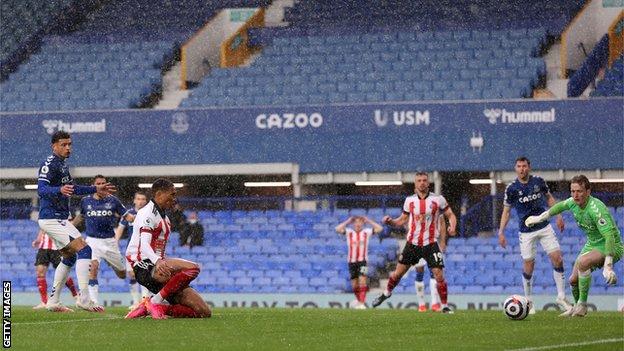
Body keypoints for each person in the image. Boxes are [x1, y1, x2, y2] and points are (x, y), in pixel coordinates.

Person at [37, 131, 116, 312]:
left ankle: (54, 302)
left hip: (58, 218)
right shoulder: (49, 164)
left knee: (69, 257)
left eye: (70, 144)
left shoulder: (63, 165)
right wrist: (58, 190)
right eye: (64, 145)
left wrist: (95, 189)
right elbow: (41, 190)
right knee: (85, 249)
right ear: (54, 146)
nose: (68, 148)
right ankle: (84, 298)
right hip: (51, 218)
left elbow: (73, 189)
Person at [526, 175, 623, 317]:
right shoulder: (573, 202)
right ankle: (578, 309)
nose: (575, 195)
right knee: (573, 280)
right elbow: (559, 207)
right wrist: (540, 218)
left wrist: (608, 266)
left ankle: (582, 306)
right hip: (592, 244)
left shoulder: (596, 209)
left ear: (588, 192)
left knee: (583, 263)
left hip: (611, 245)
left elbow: (609, 237)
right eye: (572, 191)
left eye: (579, 191)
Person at [125, 179, 211, 319]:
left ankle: (152, 306)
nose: (174, 198)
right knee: (193, 268)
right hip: (145, 265)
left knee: (203, 312)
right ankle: (155, 301)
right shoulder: (147, 213)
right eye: (172, 194)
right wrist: (158, 261)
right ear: (159, 194)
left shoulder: (164, 217)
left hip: (158, 266)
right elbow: (144, 246)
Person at [372, 172, 457, 313]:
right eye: (419, 180)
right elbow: (401, 220)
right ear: (415, 184)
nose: (422, 183)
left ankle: (444, 306)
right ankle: (386, 293)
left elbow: (451, 215)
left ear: (428, 183)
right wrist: (391, 221)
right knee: (397, 274)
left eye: (424, 180)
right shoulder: (409, 201)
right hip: (412, 244)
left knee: (439, 274)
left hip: (430, 243)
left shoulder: (438, 199)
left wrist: (452, 226)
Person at [497, 157, 573, 314]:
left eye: (524, 166)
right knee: (529, 266)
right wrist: (501, 232)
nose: (522, 169)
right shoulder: (511, 188)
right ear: (515, 168)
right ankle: (529, 301)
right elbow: (506, 211)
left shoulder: (538, 182)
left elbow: (549, 198)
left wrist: (558, 216)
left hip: (544, 226)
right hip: (526, 232)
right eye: (519, 166)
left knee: (557, 258)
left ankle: (561, 296)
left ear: (529, 167)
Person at [71, 175, 135, 306]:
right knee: (93, 268)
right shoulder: (85, 201)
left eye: (103, 183)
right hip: (92, 241)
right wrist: (68, 228)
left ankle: (113, 263)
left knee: (122, 273)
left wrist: (143, 219)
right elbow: (80, 217)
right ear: (94, 186)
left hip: (109, 242)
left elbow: (128, 217)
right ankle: (93, 301)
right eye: (98, 183)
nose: (101, 185)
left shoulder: (113, 201)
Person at [335, 216, 383, 309]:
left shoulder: (366, 232)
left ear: (362, 224)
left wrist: (369, 220)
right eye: (356, 222)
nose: (358, 224)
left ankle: (361, 303)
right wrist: (348, 221)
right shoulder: (349, 232)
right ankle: (359, 301)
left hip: (363, 261)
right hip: (351, 262)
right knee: (354, 284)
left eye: (360, 222)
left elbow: (380, 228)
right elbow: (337, 229)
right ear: (353, 224)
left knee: (362, 280)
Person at [115, 191, 151, 307]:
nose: (140, 201)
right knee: (131, 274)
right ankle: (136, 302)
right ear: (134, 200)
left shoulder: (149, 214)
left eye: (143, 199)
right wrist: (115, 243)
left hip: (145, 249)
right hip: (131, 249)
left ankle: (145, 301)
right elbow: (120, 229)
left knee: (144, 274)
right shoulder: (128, 214)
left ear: (146, 201)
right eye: (138, 199)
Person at [32, 229, 79, 309]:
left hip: (57, 248)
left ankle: (76, 295)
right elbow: (43, 228)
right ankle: (44, 302)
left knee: (63, 273)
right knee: (40, 273)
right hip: (43, 248)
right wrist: (38, 239)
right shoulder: (44, 218)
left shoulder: (61, 217)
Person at [414, 216, 447, 312]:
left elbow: (442, 222)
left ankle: (435, 303)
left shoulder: (435, 204)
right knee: (419, 271)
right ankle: (421, 304)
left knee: (435, 272)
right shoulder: (414, 203)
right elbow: (408, 222)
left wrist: (443, 241)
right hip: (417, 244)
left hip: (433, 243)